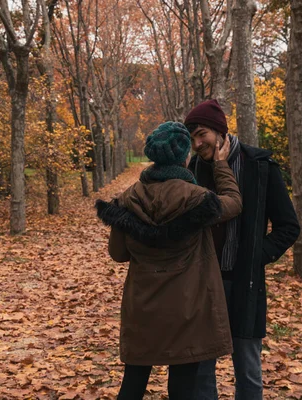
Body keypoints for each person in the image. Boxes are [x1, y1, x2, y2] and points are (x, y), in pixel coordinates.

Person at [95, 121, 242, 399]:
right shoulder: (198, 198)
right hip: (188, 309)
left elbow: (118, 254)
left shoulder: (128, 199)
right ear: (184, 156)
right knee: (183, 385)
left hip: (143, 308)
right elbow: (234, 201)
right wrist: (221, 165)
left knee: (134, 381)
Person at [184, 99, 301, 399]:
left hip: (246, 283)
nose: (197, 143)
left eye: (201, 134)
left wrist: (255, 256)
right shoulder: (195, 169)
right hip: (205, 283)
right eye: (192, 137)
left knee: (248, 369)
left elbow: (288, 226)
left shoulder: (260, 166)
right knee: (201, 369)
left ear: (220, 131)